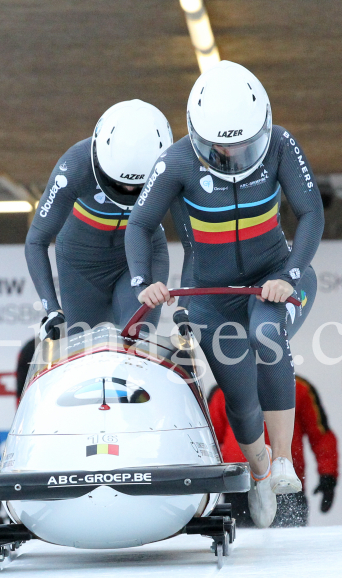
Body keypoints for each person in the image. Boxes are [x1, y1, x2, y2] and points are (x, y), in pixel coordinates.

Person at [126, 61, 324, 528]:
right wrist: (143, 280)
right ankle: (259, 474)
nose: (232, 152)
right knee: (238, 397)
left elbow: (311, 212)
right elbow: (139, 223)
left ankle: (281, 464)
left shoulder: (280, 145)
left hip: (273, 276)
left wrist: (291, 274)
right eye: (219, 145)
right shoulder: (174, 162)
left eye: (242, 143)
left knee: (266, 332)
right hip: (210, 294)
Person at [25, 100, 190, 337]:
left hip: (140, 258)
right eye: (118, 183)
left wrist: (186, 308)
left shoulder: (173, 166)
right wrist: (52, 309)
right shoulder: (74, 166)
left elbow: (194, 243)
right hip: (80, 264)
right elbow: (36, 241)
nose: (128, 191)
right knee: (83, 349)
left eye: (139, 185)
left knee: (134, 341)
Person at [209, 376, 338, 527]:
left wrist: (328, 476)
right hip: (240, 486)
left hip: (285, 484)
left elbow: (321, 436)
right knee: (243, 544)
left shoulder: (299, 388)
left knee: (289, 543)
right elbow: (210, 439)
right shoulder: (225, 388)